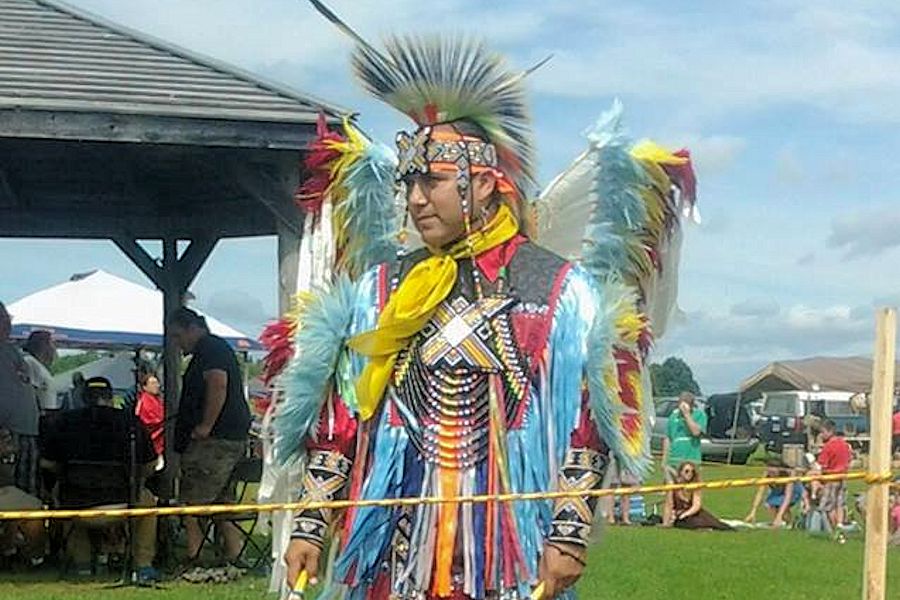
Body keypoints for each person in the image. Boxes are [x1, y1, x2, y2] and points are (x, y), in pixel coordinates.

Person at [277, 6, 697, 598]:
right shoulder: (383, 290)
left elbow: (586, 422)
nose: (417, 200)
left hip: (507, 545)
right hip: (394, 543)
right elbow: (345, 411)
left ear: (483, 184)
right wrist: (312, 525)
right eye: (409, 183)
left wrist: (570, 534)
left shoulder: (555, 290)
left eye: (433, 182)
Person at [40, 377, 159, 582]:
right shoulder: (131, 422)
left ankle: (82, 565)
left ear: (84, 398)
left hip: (76, 505)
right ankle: (143, 565)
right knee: (148, 500)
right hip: (125, 503)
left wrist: (66, 474)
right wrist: (135, 480)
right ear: (110, 398)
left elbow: (46, 463)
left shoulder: (64, 422)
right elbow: (150, 464)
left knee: (61, 493)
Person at [168, 307, 250, 564]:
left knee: (193, 500)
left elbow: (218, 383)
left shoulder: (211, 350)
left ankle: (194, 555)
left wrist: (205, 425)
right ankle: (235, 554)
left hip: (214, 441)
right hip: (228, 437)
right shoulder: (215, 349)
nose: (177, 343)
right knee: (223, 499)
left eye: (179, 335)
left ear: (194, 328)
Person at [0, 302, 40, 496]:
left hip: (25, 430)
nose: (8, 324)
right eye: (4, 319)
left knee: (25, 494)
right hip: (6, 433)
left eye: (8, 319)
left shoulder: (11, 350)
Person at [663, 461, 731, 530]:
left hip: (693, 512)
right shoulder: (673, 486)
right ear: (680, 472)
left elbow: (696, 506)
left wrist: (685, 514)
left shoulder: (695, 485)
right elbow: (668, 505)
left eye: (692, 471)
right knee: (691, 523)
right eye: (686, 471)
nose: (689, 474)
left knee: (718, 525)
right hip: (679, 515)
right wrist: (666, 523)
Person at [662, 391, 707, 483]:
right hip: (674, 461)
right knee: (671, 490)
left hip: (692, 461)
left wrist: (687, 415)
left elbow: (696, 432)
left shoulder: (700, 415)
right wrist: (664, 459)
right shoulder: (673, 417)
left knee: (691, 491)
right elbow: (668, 438)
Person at [814, 419, 852, 529]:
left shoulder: (828, 446)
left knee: (829, 506)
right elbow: (849, 459)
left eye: (823, 432)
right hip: (843, 476)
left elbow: (822, 465)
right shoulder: (845, 444)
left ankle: (834, 527)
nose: (821, 435)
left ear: (829, 431)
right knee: (840, 503)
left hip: (831, 478)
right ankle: (840, 524)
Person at [745, 460, 803, 527]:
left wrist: (779, 516)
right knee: (769, 504)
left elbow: (788, 497)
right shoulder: (767, 474)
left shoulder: (789, 475)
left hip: (793, 490)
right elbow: (760, 492)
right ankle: (779, 522)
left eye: (773, 472)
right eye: (770, 472)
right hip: (778, 490)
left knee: (782, 506)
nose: (771, 474)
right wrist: (753, 512)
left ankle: (788, 522)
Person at [22, 330, 59, 414]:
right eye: (52, 343)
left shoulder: (40, 366)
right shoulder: (29, 362)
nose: (54, 348)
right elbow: (29, 393)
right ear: (43, 345)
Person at [135, 372, 164, 460]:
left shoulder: (157, 400)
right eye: (153, 383)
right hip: (151, 442)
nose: (157, 385)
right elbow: (149, 421)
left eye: (157, 383)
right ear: (145, 387)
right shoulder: (144, 401)